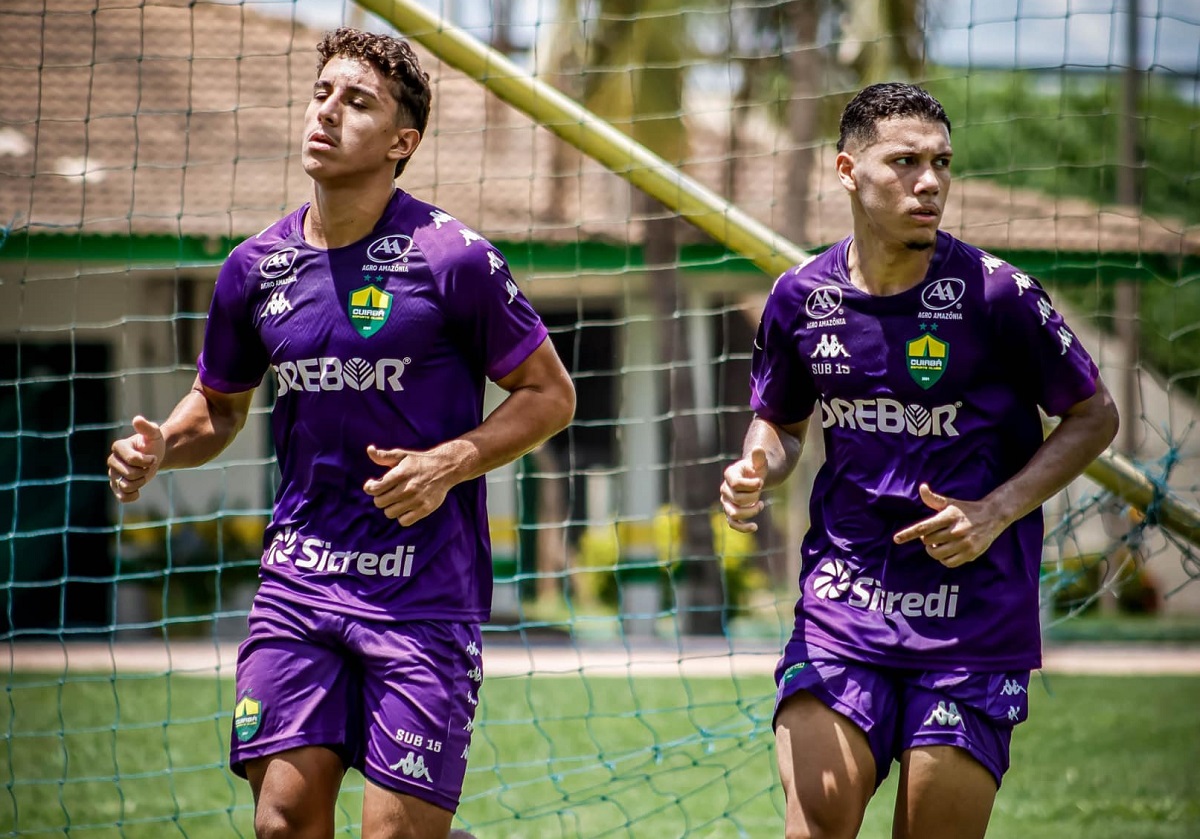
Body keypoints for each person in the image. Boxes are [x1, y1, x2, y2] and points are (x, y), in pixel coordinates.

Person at [107, 28, 575, 839]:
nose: (327, 111)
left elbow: (549, 394)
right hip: (301, 579)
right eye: (322, 92)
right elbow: (218, 404)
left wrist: (450, 462)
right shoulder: (254, 267)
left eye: (357, 102)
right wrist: (160, 447)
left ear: (404, 141)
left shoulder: (453, 259)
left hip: (422, 592)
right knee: (282, 823)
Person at [719, 82, 1119, 839]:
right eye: (904, 161)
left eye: (941, 162)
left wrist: (996, 510)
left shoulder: (998, 296)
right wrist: (756, 468)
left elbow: (1095, 414)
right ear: (847, 170)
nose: (929, 180)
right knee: (817, 820)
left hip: (973, 617)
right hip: (848, 599)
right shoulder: (800, 297)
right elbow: (781, 421)